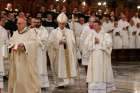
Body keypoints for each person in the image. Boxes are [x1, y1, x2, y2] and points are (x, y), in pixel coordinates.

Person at [8, 17, 41, 93]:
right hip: (16, 59)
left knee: (26, 78)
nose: (17, 25)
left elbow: (35, 43)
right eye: (17, 23)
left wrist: (24, 45)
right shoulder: (15, 33)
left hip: (26, 60)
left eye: (19, 23)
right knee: (17, 78)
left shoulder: (31, 32)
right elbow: (10, 42)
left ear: (24, 24)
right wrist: (14, 46)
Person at [48, 13, 78, 88]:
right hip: (58, 54)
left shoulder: (70, 32)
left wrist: (67, 42)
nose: (62, 25)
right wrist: (58, 42)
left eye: (63, 24)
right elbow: (50, 43)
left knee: (66, 68)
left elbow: (73, 43)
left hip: (67, 54)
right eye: (60, 24)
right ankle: (59, 83)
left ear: (65, 23)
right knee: (58, 68)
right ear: (58, 23)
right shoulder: (54, 32)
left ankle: (66, 81)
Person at [85, 20, 116, 93]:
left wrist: (100, 42)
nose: (94, 27)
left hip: (102, 57)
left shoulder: (106, 35)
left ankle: (102, 88)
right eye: (93, 25)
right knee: (94, 72)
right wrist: (93, 42)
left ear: (100, 25)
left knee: (102, 72)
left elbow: (109, 44)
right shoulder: (90, 35)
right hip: (93, 57)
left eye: (96, 25)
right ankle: (93, 89)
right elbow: (86, 45)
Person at [30, 18, 50, 89]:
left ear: (41, 22)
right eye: (35, 22)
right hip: (33, 52)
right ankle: (34, 83)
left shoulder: (44, 30)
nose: (37, 23)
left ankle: (42, 84)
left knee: (42, 67)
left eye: (38, 22)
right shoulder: (31, 30)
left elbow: (45, 39)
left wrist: (37, 40)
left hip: (41, 51)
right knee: (34, 67)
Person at [0, 16, 9, 93]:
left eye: (4, 21)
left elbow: (6, 42)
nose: (4, 22)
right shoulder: (3, 31)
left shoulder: (4, 30)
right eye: (2, 21)